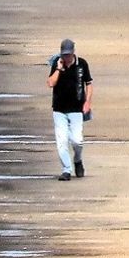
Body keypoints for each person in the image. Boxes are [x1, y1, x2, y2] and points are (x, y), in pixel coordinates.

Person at [46, 38, 93, 180]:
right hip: (59, 109)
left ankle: (77, 160)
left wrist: (87, 103)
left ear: (73, 53)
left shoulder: (82, 64)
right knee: (62, 141)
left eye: (68, 55)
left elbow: (89, 84)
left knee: (77, 141)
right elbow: (50, 83)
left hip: (76, 108)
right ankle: (66, 170)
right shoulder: (56, 63)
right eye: (64, 55)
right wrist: (59, 69)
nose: (66, 57)